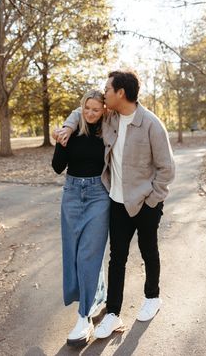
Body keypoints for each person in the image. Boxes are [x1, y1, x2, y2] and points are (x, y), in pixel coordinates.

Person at [57, 70, 175, 339]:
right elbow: (82, 111)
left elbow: (167, 169)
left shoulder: (151, 124)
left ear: (120, 93)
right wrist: (67, 125)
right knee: (117, 258)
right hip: (116, 201)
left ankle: (152, 297)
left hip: (145, 202)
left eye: (108, 88)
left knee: (148, 250)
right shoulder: (110, 117)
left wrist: (153, 201)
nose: (104, 92)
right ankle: (113, 314)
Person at [52, 89, 110, 346]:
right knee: (75, 254)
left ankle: (83, 316)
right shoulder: (73, 129)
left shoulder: (108, 131)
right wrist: (61, 140)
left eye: (95, 110)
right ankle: (97, 298)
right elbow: (57, 167)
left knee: (89, 253)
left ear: (104, 110)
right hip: (72, 194)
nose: (90, 113)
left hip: (99, 195)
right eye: (86, 109)